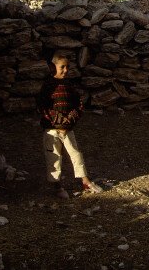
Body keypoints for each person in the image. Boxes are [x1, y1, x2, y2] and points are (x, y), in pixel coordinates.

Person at [36, 51, 103, 198]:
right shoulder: (47, 87)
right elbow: (43, 107)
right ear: (52, 67)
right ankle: (57, 186)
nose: (66, 70)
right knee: (54, 157)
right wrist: (58, 122)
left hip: (67, 129)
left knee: (76, 154)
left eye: (67, 67)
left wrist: (69, 121)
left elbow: (78, 104)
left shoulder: (68, 85)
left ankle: (85, 181)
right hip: (52, 130)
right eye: (62, 67)